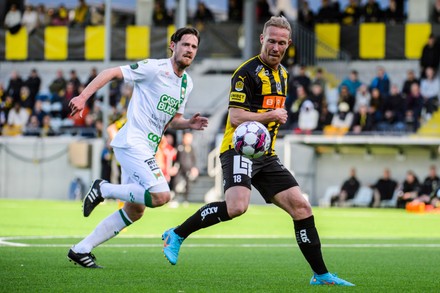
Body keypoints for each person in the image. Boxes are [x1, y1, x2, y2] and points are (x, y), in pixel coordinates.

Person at [161, 16, 354, 286]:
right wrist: (271, 115)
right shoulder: (246, 73)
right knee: (237, 207)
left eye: (282, 43)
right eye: (272, 41)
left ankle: (321, 275)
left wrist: (271, 120)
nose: (276, 47)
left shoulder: (284, 75)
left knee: (302, 207)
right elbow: (237, 118)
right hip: (237, 150)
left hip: (265, 155)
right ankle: (177, 234)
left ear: (289, 45)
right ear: (262, 39)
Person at [66, 27, 208, 268]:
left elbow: (172, 120)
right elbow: (111, 72)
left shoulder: (186, 83)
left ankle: (81, 249)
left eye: (194, 47)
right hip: (133, 141)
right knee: (162, 196)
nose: (189, 50)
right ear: (173, 45)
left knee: (135, 211)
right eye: (185, 45)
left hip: (147, 148)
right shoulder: (155, 68)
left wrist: (188, 124)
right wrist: (83, 97)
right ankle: (104, 189)